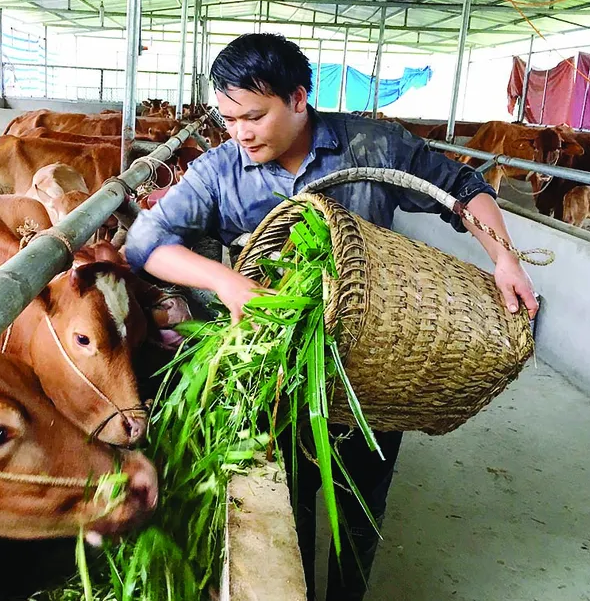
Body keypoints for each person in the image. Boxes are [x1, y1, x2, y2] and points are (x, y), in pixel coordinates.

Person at [125, 33, 539, 601]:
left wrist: (504, 257)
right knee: (284, 508)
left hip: (374, 364)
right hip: (278, 373)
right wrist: (227, 282)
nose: (240, 133)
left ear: (298, 99)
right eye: (227, 120)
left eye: (252, 116)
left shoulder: (373, 145)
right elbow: (145, 242)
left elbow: (461, 190)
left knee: (361, 507)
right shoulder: (221, 171)